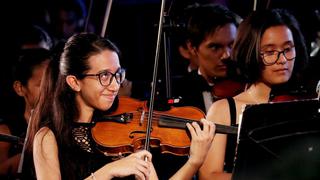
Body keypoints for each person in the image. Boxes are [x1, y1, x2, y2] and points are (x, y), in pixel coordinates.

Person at [24, 32, 215, 180]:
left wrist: (194, 161)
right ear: (74, 82)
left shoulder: (123, 132)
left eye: (118, 74)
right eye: (104, 76)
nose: (116, 85)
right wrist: (107, 171)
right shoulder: (49, 136)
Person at [199, 8, 309, 179]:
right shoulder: (224, 109)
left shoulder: (305, 104)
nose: (282, 60)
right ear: (250, 52)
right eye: (270, 52)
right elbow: (210, 175)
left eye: (288, 49)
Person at [171, 3, 242, 113]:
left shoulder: (249, 84)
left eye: (231, 45)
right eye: (215, 47)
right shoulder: (178, 91)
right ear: (192, 47)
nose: (227, 55)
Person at [0, 48, 51, 179]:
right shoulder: (6, 130)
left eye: (54, 83)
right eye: (42, 85)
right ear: (19, 88)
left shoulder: (63, 123)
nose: (51, 91)